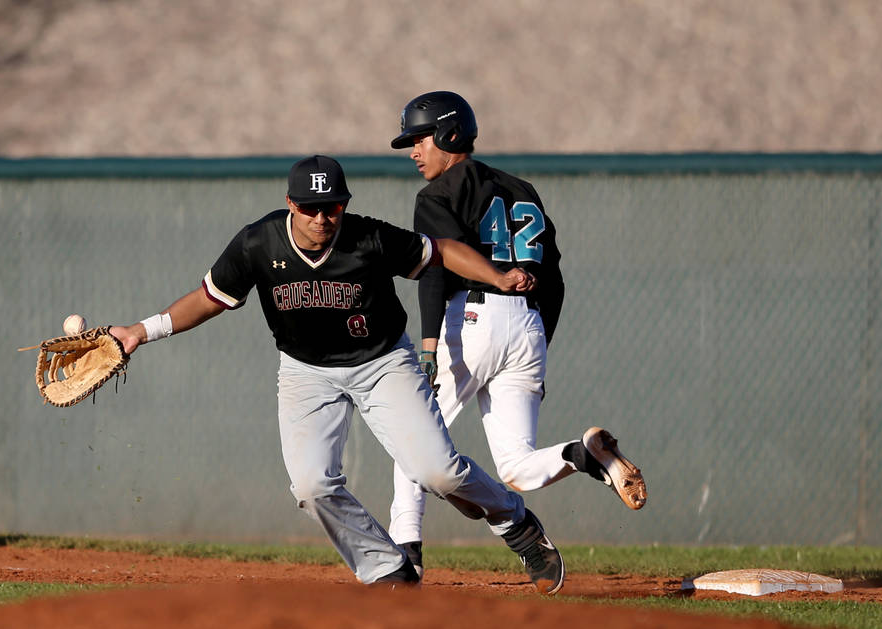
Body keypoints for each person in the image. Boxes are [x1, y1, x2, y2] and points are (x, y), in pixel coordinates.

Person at [109, 154, 565, 594]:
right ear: (291, 204)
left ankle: (514, 521)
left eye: (332, 206)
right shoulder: (258, 243)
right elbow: (209, 298)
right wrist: (139, 332)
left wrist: (498, 278)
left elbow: (440, 250)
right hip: (306, 372)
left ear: (344, 203)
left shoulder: (367, 237)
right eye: (310, 207)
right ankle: (388, 570)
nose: (322, 217)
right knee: (311, 487)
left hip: (383, 363)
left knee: (438, 473)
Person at [388, 91, 647, 578]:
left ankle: (406, 554)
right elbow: (556, 275)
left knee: (413, 436)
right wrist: (537, 336)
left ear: (449, 134)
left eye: (420, 139)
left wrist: (427, 343)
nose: (414, 152)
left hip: (470, 320)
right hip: (528, 322)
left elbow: (437, 271)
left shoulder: (437, 195)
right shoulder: (522, 189)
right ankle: (581, 455)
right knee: (516, 466)